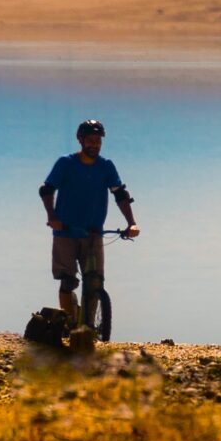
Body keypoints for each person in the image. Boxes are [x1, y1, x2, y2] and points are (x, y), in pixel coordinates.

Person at [39, 119, 138, 331]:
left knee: (95, 282)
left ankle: (90, 328)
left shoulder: (106, 166)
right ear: (81, 140)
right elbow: (47, 190)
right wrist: (52, 216)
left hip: (93, 233)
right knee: (68, 281)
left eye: (98, 141)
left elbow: (119, 194)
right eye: (90, 140)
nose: (95, 144)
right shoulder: (65, 163)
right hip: (65, 232)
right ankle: (70, 321)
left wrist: (131, 223)